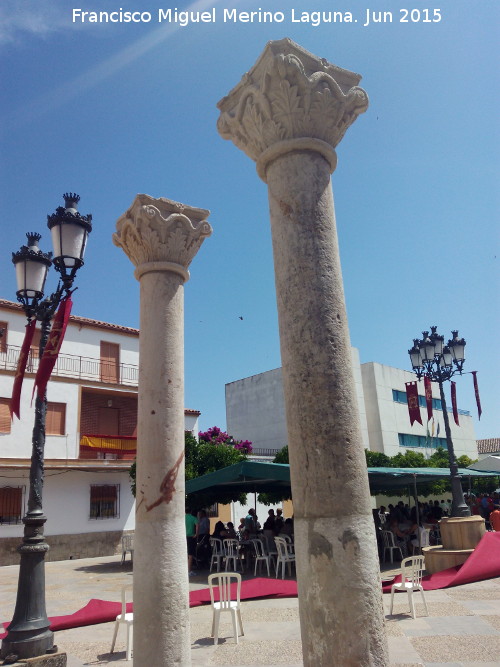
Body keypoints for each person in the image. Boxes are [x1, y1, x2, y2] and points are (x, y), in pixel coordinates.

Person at [185, 507, 198, 577]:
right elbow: (197, 526)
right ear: (190, 511)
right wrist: (196, 534)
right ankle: (189, 571)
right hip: (191, 537)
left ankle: (184, 570)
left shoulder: (182, 518)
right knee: (190, 554)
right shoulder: (194, 518)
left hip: (184, 537)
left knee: (185, 554)